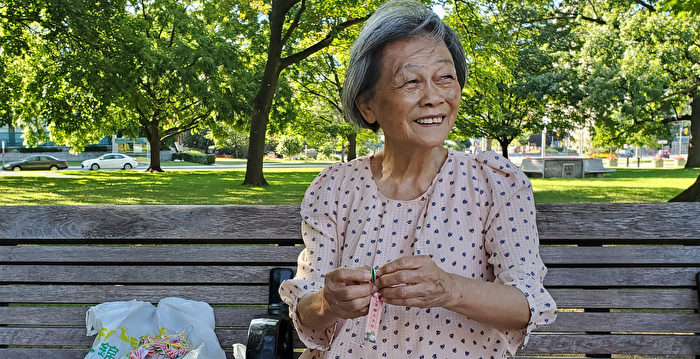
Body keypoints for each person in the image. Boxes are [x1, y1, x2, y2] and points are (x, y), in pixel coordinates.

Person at [279, 1, 557, 358]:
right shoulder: (334, 187)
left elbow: (528, 302)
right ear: (367, 106)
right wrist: (327, 302)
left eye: (445, 78)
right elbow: (308, 313)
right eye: (411, 82)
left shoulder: (496, 183)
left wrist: (448, 289)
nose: (433, 97)